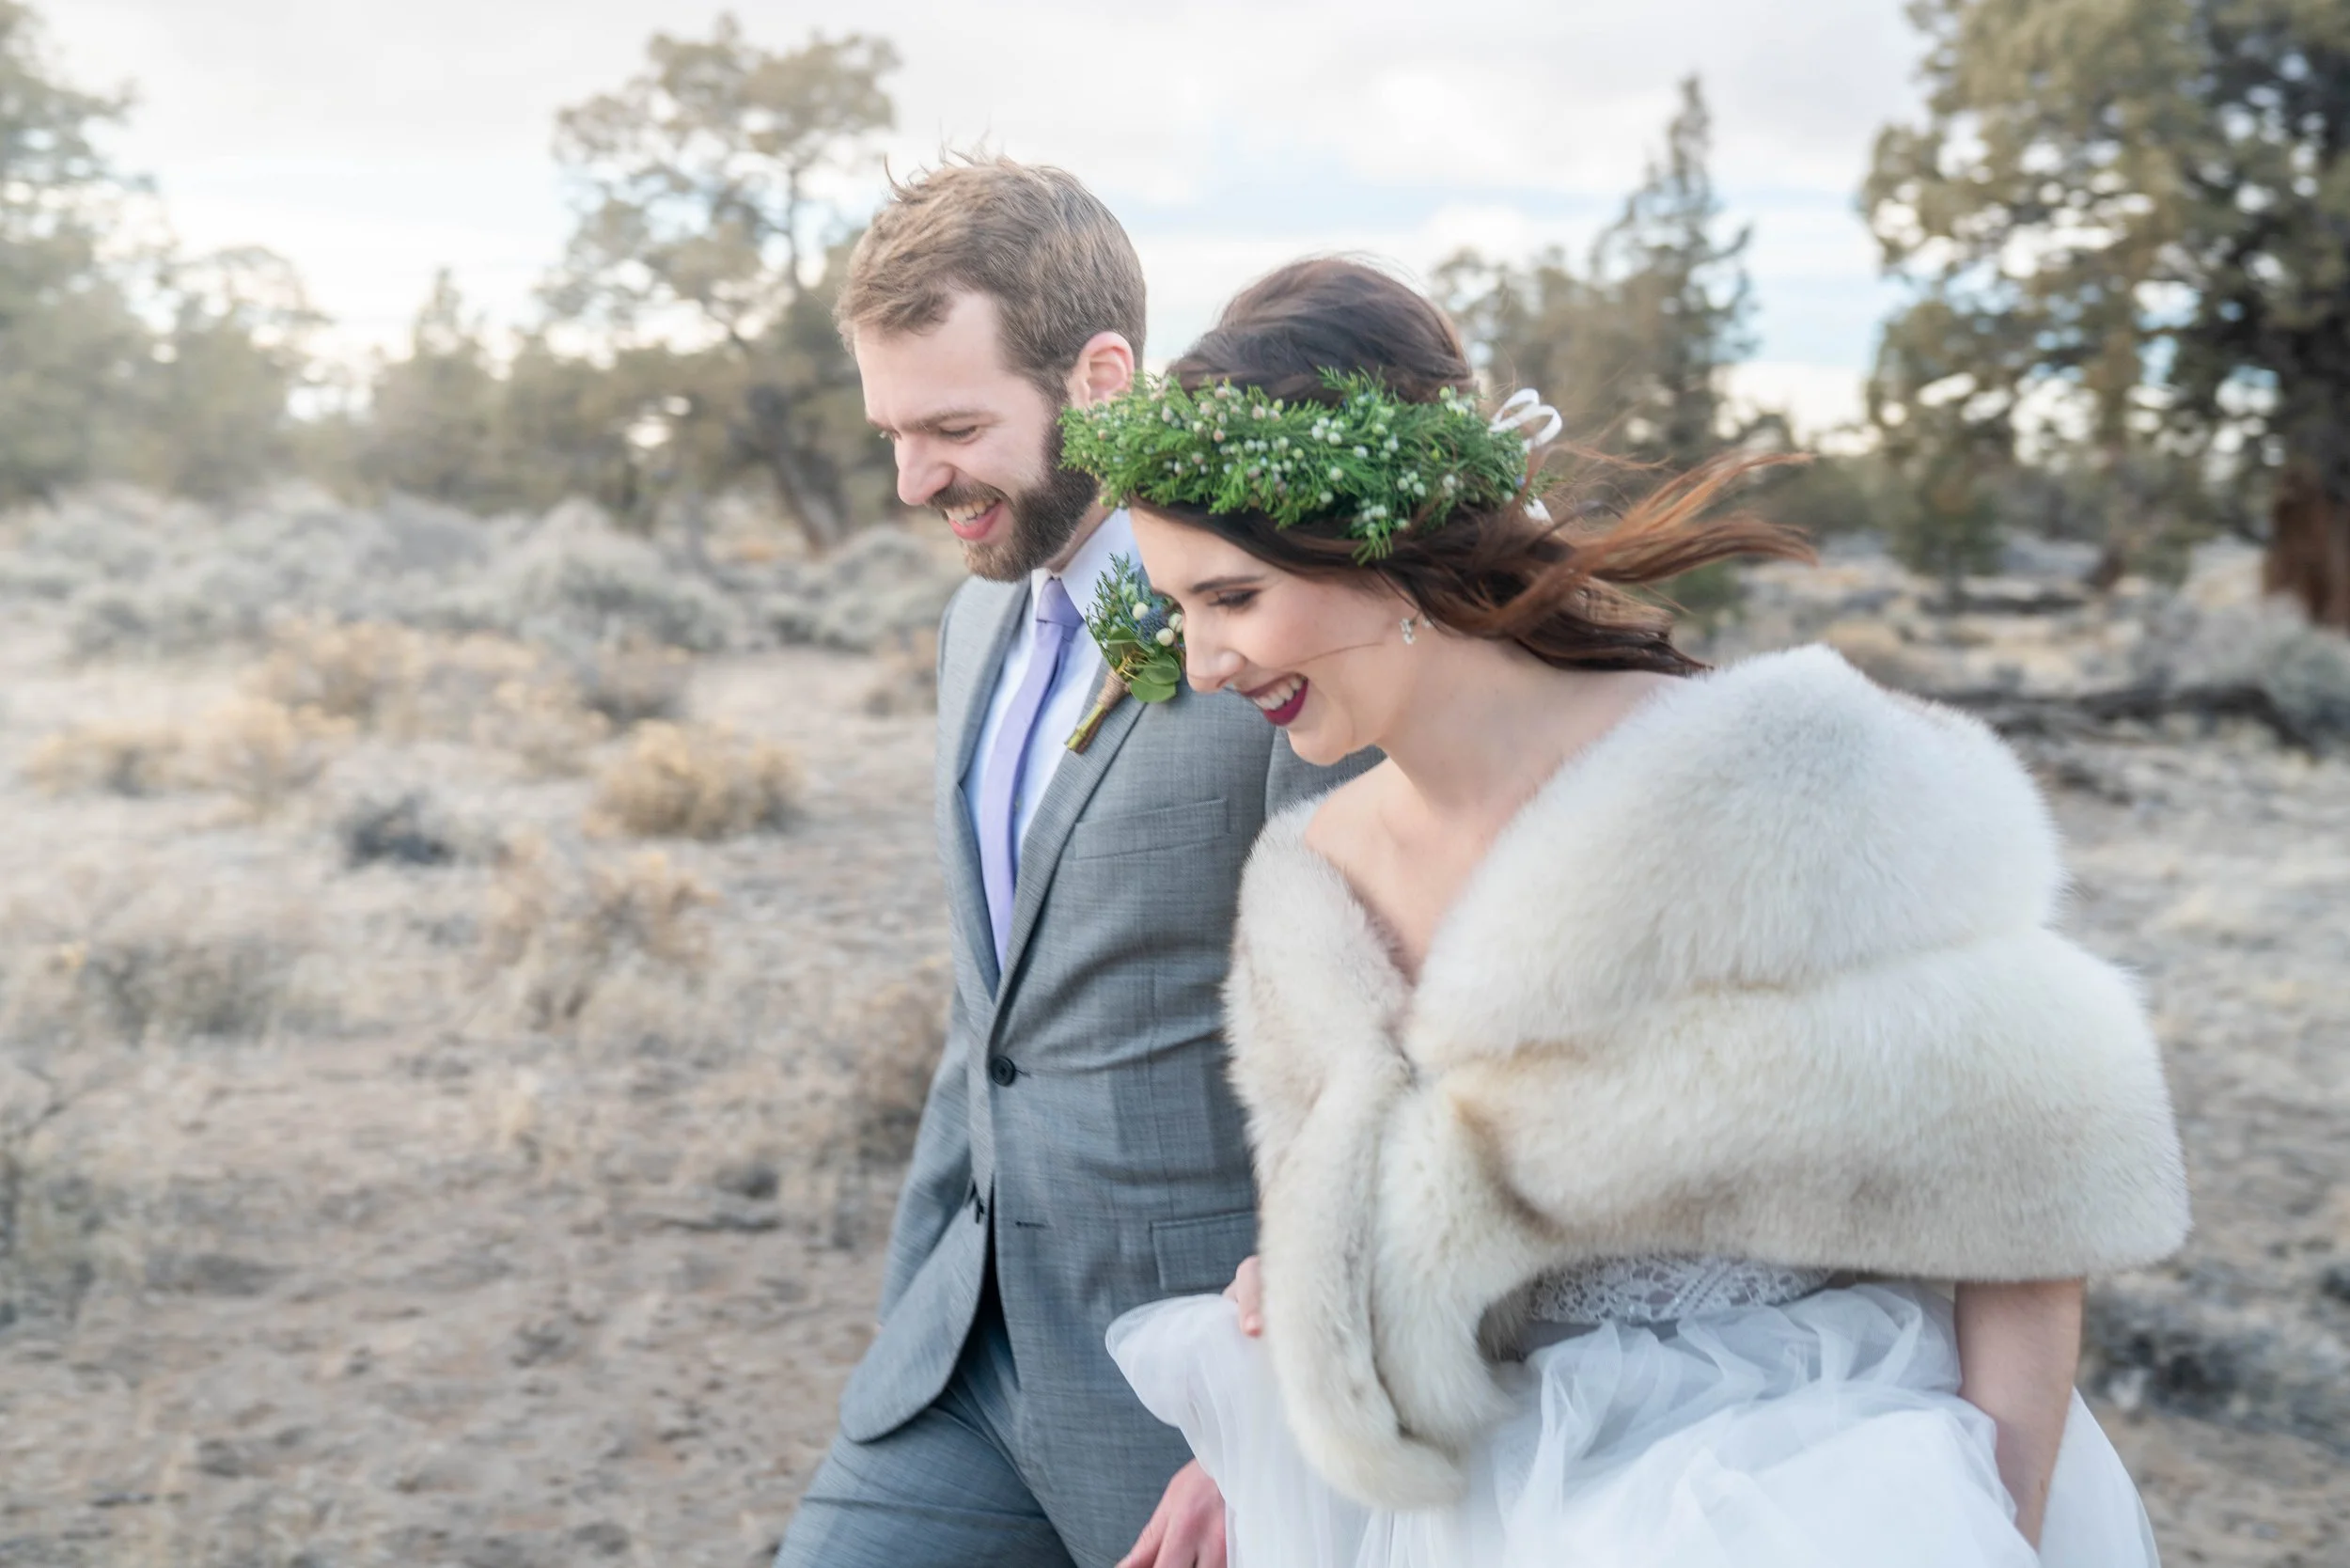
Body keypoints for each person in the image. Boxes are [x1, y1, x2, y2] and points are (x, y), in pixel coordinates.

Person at [1065, 258, 2192, 1565]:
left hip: (1818, 1492)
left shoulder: (1777, 779)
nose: (1205, 664)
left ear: (1382, 539)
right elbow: (1359, 1252)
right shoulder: (1306, 895)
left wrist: (2000, 1522)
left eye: (1235, 599)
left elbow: (2031, 1195)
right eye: (1179, 611)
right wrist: (1269, 1434)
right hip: (1481, 1509)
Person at [775, 161, 1371, 1568]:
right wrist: (914, 1294)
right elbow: (992, 1020)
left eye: (954, 427)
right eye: (891, 433)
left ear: (1102, 377)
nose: (914, 480)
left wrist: (1277, 1408)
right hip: (957, 1367)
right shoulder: (972, 633)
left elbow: (1374, 1037)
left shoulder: (1272, 629)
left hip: (1193, 1390)